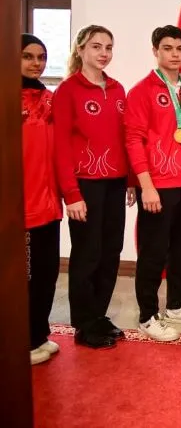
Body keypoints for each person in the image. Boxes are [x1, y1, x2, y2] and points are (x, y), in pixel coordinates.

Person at [125, 25, 181, 342]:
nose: (175, 54)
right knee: (154, 252)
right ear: (155, 51)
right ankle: (147, 316)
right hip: (158, 185)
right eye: (168, 48)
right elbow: (133, 140)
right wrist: (145, 185)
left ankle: (176, 304)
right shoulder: (142, 91)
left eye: (179, 49)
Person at [54, 25, 134, 349]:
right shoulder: (68, 90)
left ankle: (99, 315)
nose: (103, 53)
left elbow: (125, 138)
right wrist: (71, 194)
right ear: (81, 50)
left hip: (115, 183)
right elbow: (60, 146)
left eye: (108, 47)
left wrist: (130, 180)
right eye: (96, 46)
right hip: (85, 185)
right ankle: (84, 323)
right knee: (88, 254)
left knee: (110, 252)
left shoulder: (117, 89)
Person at [21, 34, 63, 365]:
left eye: (41, 56)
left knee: (47, 275)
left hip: (49, 207)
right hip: (22, 209)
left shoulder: (49, 100)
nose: (36, 63)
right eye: (28, 56)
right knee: (25, 279)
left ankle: (38, 334)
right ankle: (20, 341)